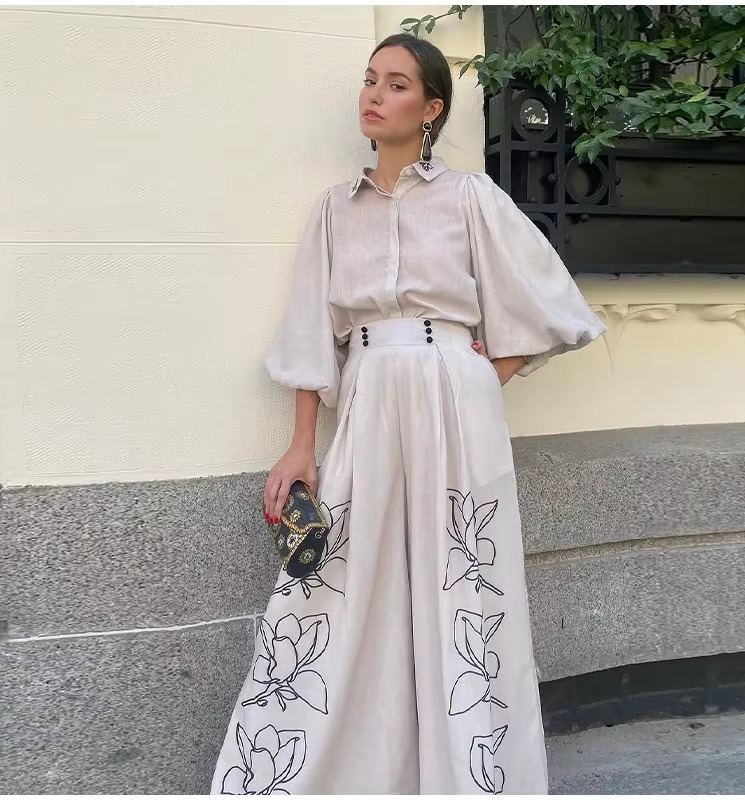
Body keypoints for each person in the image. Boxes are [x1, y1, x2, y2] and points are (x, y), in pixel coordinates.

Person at [211, 32, 606, 795]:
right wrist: (301, 446)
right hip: (367, 397)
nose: (374, 94)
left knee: (464, 582)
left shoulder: (470, 199)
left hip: (456, 400)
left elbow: (553, 306)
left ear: (430, 109)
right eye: (370, 79)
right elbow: (310, 333)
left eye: (396, 84)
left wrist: (481, 376)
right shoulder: (334, 212)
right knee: (337, 581)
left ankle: (472, 774)